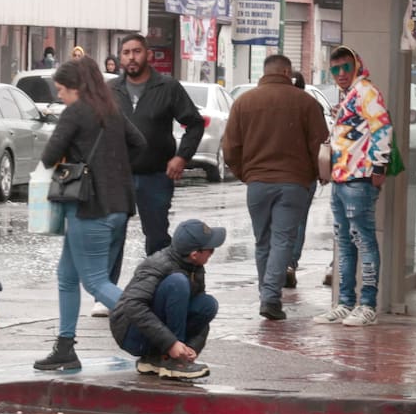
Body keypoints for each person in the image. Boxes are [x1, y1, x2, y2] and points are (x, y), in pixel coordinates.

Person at [34, 58, 146, 372]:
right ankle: (65, 347)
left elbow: (49, 156)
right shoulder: (112, 110)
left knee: (95, 282)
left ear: (76, 87)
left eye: (61, 90)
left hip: (89, 208)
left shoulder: (75, 112)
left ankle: (162, 334)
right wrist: (112, 167)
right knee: (67, 277)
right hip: (118, 205)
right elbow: (139, 143)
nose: (60, 97)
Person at [222, 54, 328, 320]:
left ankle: (266, 294)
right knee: (282, 240)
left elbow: (230, 147)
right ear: (286, 72)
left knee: (263, 241)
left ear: (265, 72)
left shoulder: (243, 102)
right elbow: (320, 144)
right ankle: (270, 297)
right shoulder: (306, 102)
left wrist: (247, 174)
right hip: (294, 183)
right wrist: (313, 175)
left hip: (257, 184)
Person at [313, 45, 394, 327]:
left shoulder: (366, 91)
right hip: (342, 179)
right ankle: (345, 303)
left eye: (346, 67)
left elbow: (382, 128)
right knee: (346, 243)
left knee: (363, 241)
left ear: (357, 66)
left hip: (359, 179)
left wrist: (378, 166)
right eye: (335, 69)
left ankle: (367, 305)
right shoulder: (351, 94)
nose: (341, 73)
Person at [111, 33, 204, 255]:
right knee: (111, 238)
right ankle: (109, 280)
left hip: (155, 176)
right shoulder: (110, 90)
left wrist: (181, 157)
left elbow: (195, 124)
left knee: (157, 238)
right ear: (120, 58)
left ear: (149, 55)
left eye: (137, 51)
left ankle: (158, 276)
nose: (131, 57)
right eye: (126, 53)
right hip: (117, 177)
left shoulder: (167, 87)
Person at [110, 219, 224, 379]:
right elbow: (133, 305)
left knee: (207, 304)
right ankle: (173, 361)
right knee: (178, 283)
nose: (212, 253)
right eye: (210, 250)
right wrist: (171, 343)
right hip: (132, 335)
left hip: (154, 336)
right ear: (194, 254)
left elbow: (199, 313)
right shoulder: (157, 264)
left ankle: (156, 358)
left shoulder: (194, 266)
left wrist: (192, 347)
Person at [287, 70, 317, 287]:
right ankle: (290, 263)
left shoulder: (272, 107)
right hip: (305, 175)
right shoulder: (312, 107)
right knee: (298, 221)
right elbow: (321, 141)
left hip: (275, 174)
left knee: (275, 223)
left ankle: (277, 265)